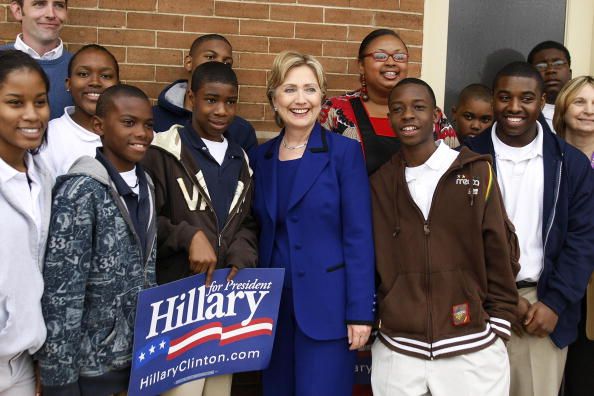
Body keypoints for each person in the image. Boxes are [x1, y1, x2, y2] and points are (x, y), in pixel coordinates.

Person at [370, 78, 518, 395]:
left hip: (471, 344)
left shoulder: (475, 171)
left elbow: (499, 248)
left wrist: (500, 322)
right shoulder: (380, 183)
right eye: (398, 109)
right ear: (390, 118)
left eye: (418, 107)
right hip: (399, 348)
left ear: (436, 115)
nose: (408, 115)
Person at [465, 62, 594, 396]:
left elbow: (582, 240)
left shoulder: (570, 164)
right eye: (504, 97)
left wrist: (556, 303)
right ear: (493, 99)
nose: (514, 107)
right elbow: (454, 239)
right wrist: (503, 296)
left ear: (542, 102)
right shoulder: (463, 158)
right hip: (476, 300)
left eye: (526, 98)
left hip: (542, 305)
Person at [250, 50, 375, 396]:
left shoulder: (343, 154)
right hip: (271, 312)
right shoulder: (261, 158)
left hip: (328, 309)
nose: (300, 99)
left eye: (310, 89)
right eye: (290, 89)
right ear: (274, 98)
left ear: (322, 97)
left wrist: (361, 312)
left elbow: (359, 236)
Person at [141, 61, 257, 396]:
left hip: (223, 306)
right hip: (177, 305)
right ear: (191, 99)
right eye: (211, 100)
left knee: (218, 391)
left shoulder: (241, 159)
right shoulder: (162, 151)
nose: (221, 110)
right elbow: (142, 222)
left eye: (230, 101)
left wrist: (241, 254)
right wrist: (189, 235)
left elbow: (246, 222)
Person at [36, 84, 157, 395]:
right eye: (129, 122)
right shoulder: (80, 191)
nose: (142, 133)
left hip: (136, 360)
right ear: (99, 126)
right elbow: (61, 295)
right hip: (89, 368)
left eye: (148, 124)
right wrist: (59, 381)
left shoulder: (148, 186)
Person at [320, 28, 458, 174]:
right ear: (361, 66)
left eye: (399, 57)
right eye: (380, 56)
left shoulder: (430, 112)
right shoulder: (335, 110)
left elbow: (455, 166)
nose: (391, 62)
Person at [0, 50, 52, 396]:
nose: (32, 115)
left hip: (21, 361)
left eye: (40, 102)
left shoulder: (43, 177)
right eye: (15, 103)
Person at [552, 75, 594, 396]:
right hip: (551, 286)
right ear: (563, 106)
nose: (588, 110)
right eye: (580, 101)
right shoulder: (544, 154)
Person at [153, 34, 257, 153]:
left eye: (227, 63)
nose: (218, 65)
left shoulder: (241, 130)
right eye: (210, 57)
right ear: (189, 63)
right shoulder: (154, 118)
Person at [39, 44, 120, 177]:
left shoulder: (135, 132)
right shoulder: (49, 137)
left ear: (118, 84)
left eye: (105, 76)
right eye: (83, 74)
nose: (95, 82)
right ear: (69, 84)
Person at [2, 0, 72, 120]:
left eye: (58, 5)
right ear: (18, 10)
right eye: (40, 4)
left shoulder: (81, 69)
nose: (51, 14)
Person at [527, 41, 572, 132]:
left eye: (558, 64)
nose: (551, 70)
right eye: (541, 66)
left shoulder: (586, 110)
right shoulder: (524, 113)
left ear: (570, 73)